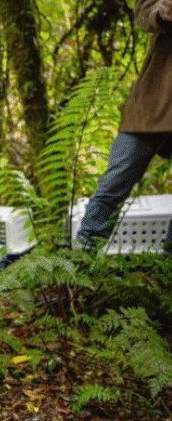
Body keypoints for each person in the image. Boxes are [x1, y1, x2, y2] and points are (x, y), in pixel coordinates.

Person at [76, 0, 172, 251]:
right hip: (153, 100)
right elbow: (144, 11)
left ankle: (165, 272)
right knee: (114, 182)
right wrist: (161, 13)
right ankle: (80, 265)